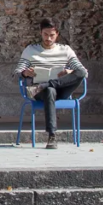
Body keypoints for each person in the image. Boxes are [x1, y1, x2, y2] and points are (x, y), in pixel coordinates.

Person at [13, 18, 88, 149]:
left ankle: (48, 84)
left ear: (57, 34)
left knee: (79, 73)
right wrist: (26, 73)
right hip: (37, 90)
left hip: (62, 89)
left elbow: (83, 72)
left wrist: (69, 71)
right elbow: (18, 71)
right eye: (45, 35)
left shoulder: (65, 50)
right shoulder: (30, 50)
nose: (48, 38)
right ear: (41, 33)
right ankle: (52, 135)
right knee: (49, 91)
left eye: (52, 35)